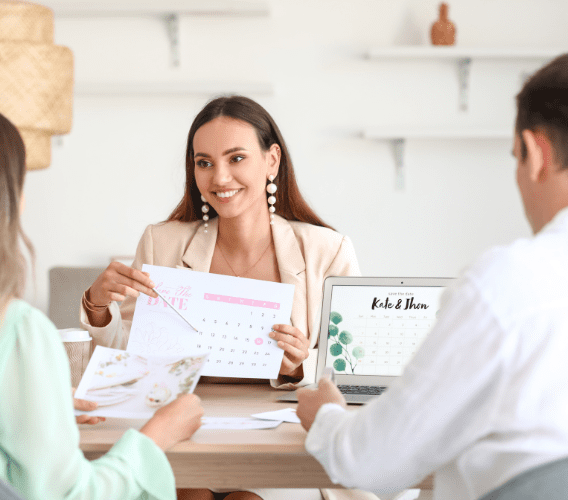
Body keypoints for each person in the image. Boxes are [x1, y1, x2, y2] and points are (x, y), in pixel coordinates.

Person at [296, 51, 568, 500]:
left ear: (537, 153)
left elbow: (373, 463)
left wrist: (326, 416)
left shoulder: (508, 284)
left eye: (515, 158)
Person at [0, 101, 204, 500]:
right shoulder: (16, 332)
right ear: (10, 198)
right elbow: (71, 496)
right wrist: (155, 438)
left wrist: (42, 401)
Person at [80, 95, 361, 500]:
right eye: (205, 162)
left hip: (281, 437)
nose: (220, 178)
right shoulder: (162, 243)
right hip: (185, 426)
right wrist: (97, 306)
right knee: (187, 493)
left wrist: (302, 365)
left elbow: (352, 372)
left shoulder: (327, 250)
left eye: (236, 158)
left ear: (272, 160)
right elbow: (132, 357)